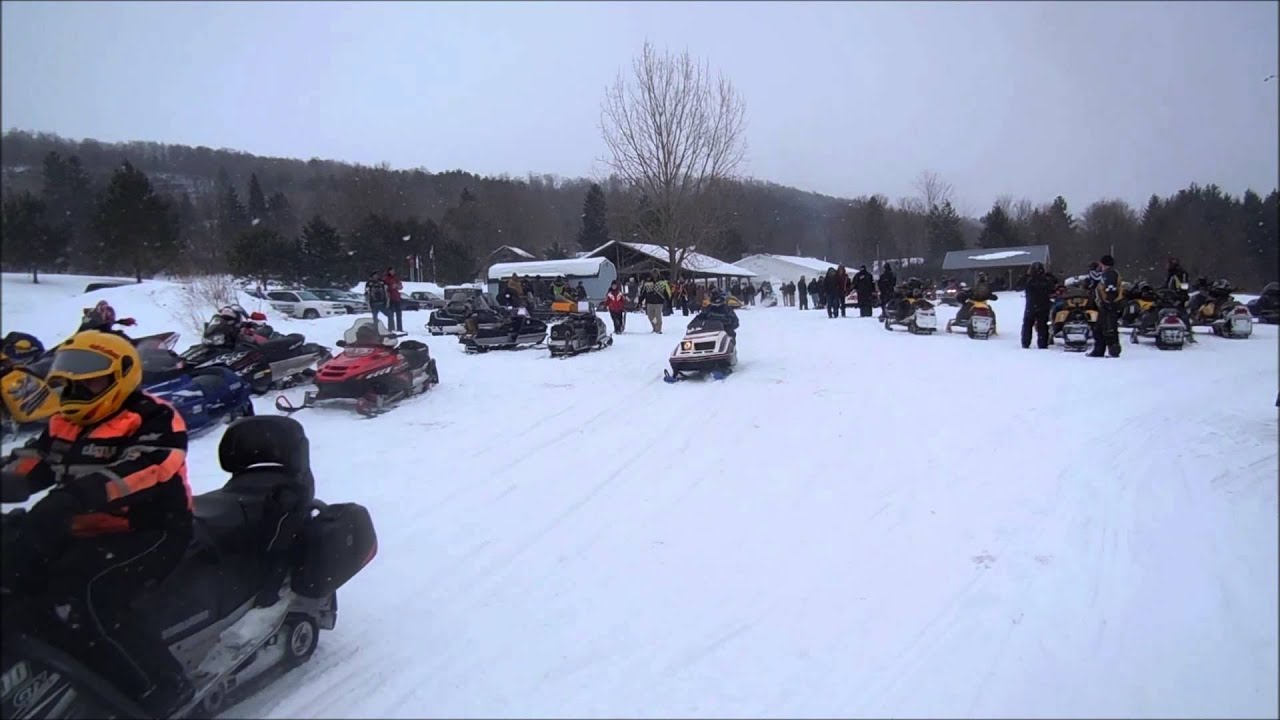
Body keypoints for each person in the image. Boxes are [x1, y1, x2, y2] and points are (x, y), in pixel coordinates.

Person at [1, 330, 195, 717]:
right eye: (69, 376)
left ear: (118, 376)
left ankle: (161, 684)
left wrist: (79, 495)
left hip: (148, 528)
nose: (76, 385)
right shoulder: (63, 422)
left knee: (85, 594)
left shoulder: (152, 416)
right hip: (81, 525)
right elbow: (33, 461)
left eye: (89, 377)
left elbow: (150, 466)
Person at [1089, 254, 1124, 358]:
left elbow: (1110, 289)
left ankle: (1114, 350)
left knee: (1109, 328)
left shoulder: (1110, 274)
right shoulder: (1106, 274)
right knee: (1099, 329)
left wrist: (1109, 302)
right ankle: (1098, 350)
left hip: (1109, 305)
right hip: (1104, 305)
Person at [1020, 262, 1057, 349]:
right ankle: (1042, 343)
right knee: (1043, 326)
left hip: (1031, 306)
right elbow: (1054, 286)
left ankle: (1025, 343)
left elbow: (1018, 285)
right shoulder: (1046, 280)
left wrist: (1026, 275)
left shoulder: (1029, 280)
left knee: (1027, 325)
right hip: (1044, 306)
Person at [384, 267, 404, 332]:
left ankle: (399, 328)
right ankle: (391, 328)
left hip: (397, 298)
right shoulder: (386, 279)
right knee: (391, 314)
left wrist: (398, 286)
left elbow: (400, 286)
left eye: (393, 271)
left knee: (399, 314)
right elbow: (385, 288)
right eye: (391, 271)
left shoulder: (396, 278)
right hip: (390, 298)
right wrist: (391, 287)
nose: (393, 272)